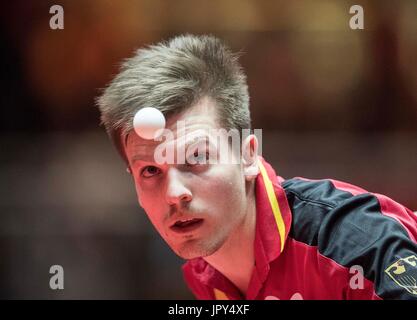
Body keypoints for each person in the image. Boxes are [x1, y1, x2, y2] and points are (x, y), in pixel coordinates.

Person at [96, 34, 417, 300]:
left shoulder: (351, 242)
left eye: (196, 158)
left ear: (248, 156)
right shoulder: (207, 278)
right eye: (150, 171)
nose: (175, 193)